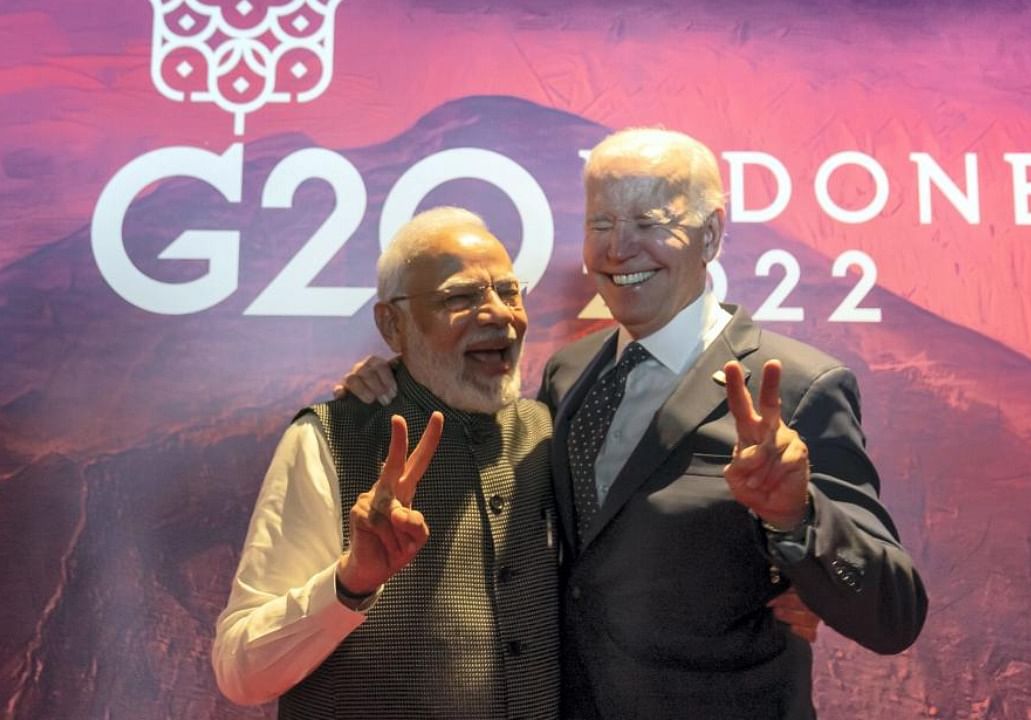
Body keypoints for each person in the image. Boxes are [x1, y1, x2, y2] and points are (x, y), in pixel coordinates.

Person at [341, 128, 927, 719]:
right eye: (601, 224)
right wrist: (401, 373)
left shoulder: (801, 388)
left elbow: (893, 614)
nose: (619, 249)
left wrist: (798, 520)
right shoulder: (569, 374)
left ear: (711, 234)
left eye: (649, 223)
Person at [212, 207, 561, 719]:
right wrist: (350, 582)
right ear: (392, 324)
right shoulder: (331, 437)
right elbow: (240, 671)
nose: (499, 314)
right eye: (460, 297)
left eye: (509, 292)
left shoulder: (546, 432)